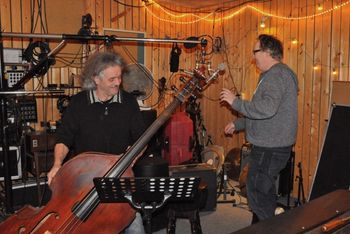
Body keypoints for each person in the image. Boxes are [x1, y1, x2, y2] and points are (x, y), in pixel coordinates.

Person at [47, 51, 146, 233]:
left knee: (136, 227)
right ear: (96, 79)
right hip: (85, 180)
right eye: (111, 79)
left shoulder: (129, 102)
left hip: (119, 178)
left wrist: (134, 153)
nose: (117, 82)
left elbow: (141, 139)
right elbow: (64, 138)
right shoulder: (78, 103)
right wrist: (57, 164)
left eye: (119, 77)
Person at [219, 34, 298, 222]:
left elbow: (267, 109)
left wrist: (235, 102)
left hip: (270, 149)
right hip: (269, 147)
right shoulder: (272, 75)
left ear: (267, 52)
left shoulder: (277, 75)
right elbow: (262, 113)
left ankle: (271, 226)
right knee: (262, 192)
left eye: (255, 52)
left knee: (256, 192)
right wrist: (237, 124)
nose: (253, 57)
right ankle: (264, 224)